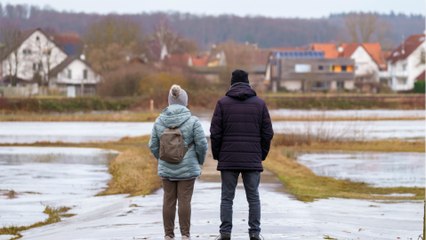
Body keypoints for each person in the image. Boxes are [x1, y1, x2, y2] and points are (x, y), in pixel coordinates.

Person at [210, 69, 274, 240]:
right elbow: (268, 133)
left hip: (228, 159)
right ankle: (254, 233)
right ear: (248, 82)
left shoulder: (222, 103)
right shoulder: (259, 104)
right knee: (253, 198)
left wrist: (218, 155)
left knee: (226, 198)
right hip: (252, 158)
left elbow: (215, 133)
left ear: (231, 83)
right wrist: (261, 154)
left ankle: (225, 232)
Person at [149, 84, 208, 240]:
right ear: (185, 101)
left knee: (168, 200)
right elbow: (202, 144)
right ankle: (185, 235)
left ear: (169, 101)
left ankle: (168, 235)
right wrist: (199, 161)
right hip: (188, 169)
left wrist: (162, 158)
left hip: (166, 169)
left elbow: (152, 145)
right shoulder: (193, 121)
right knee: (184, 201)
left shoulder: (159, 121)